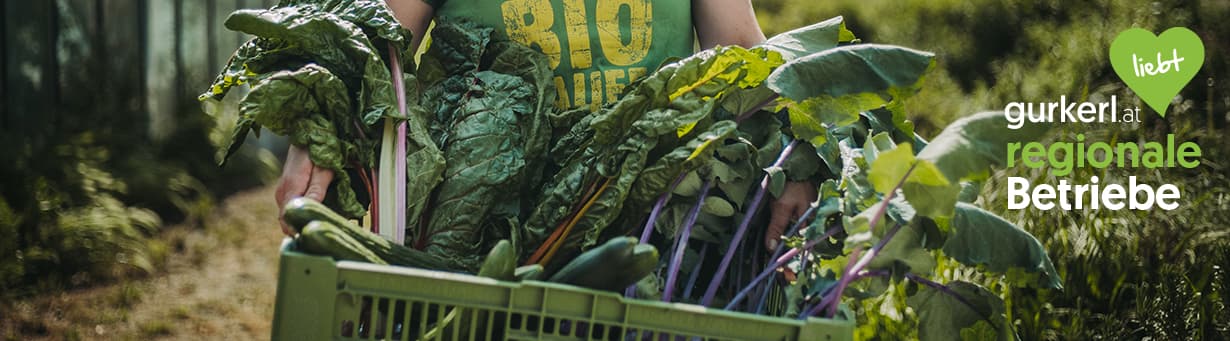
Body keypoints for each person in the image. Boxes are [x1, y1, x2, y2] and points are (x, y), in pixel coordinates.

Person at [275, 0, 816, 252]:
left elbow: (743, 52)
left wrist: (796, 155)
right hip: (475, 234)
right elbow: (375, 41)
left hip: (648, 224)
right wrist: (319, 134)